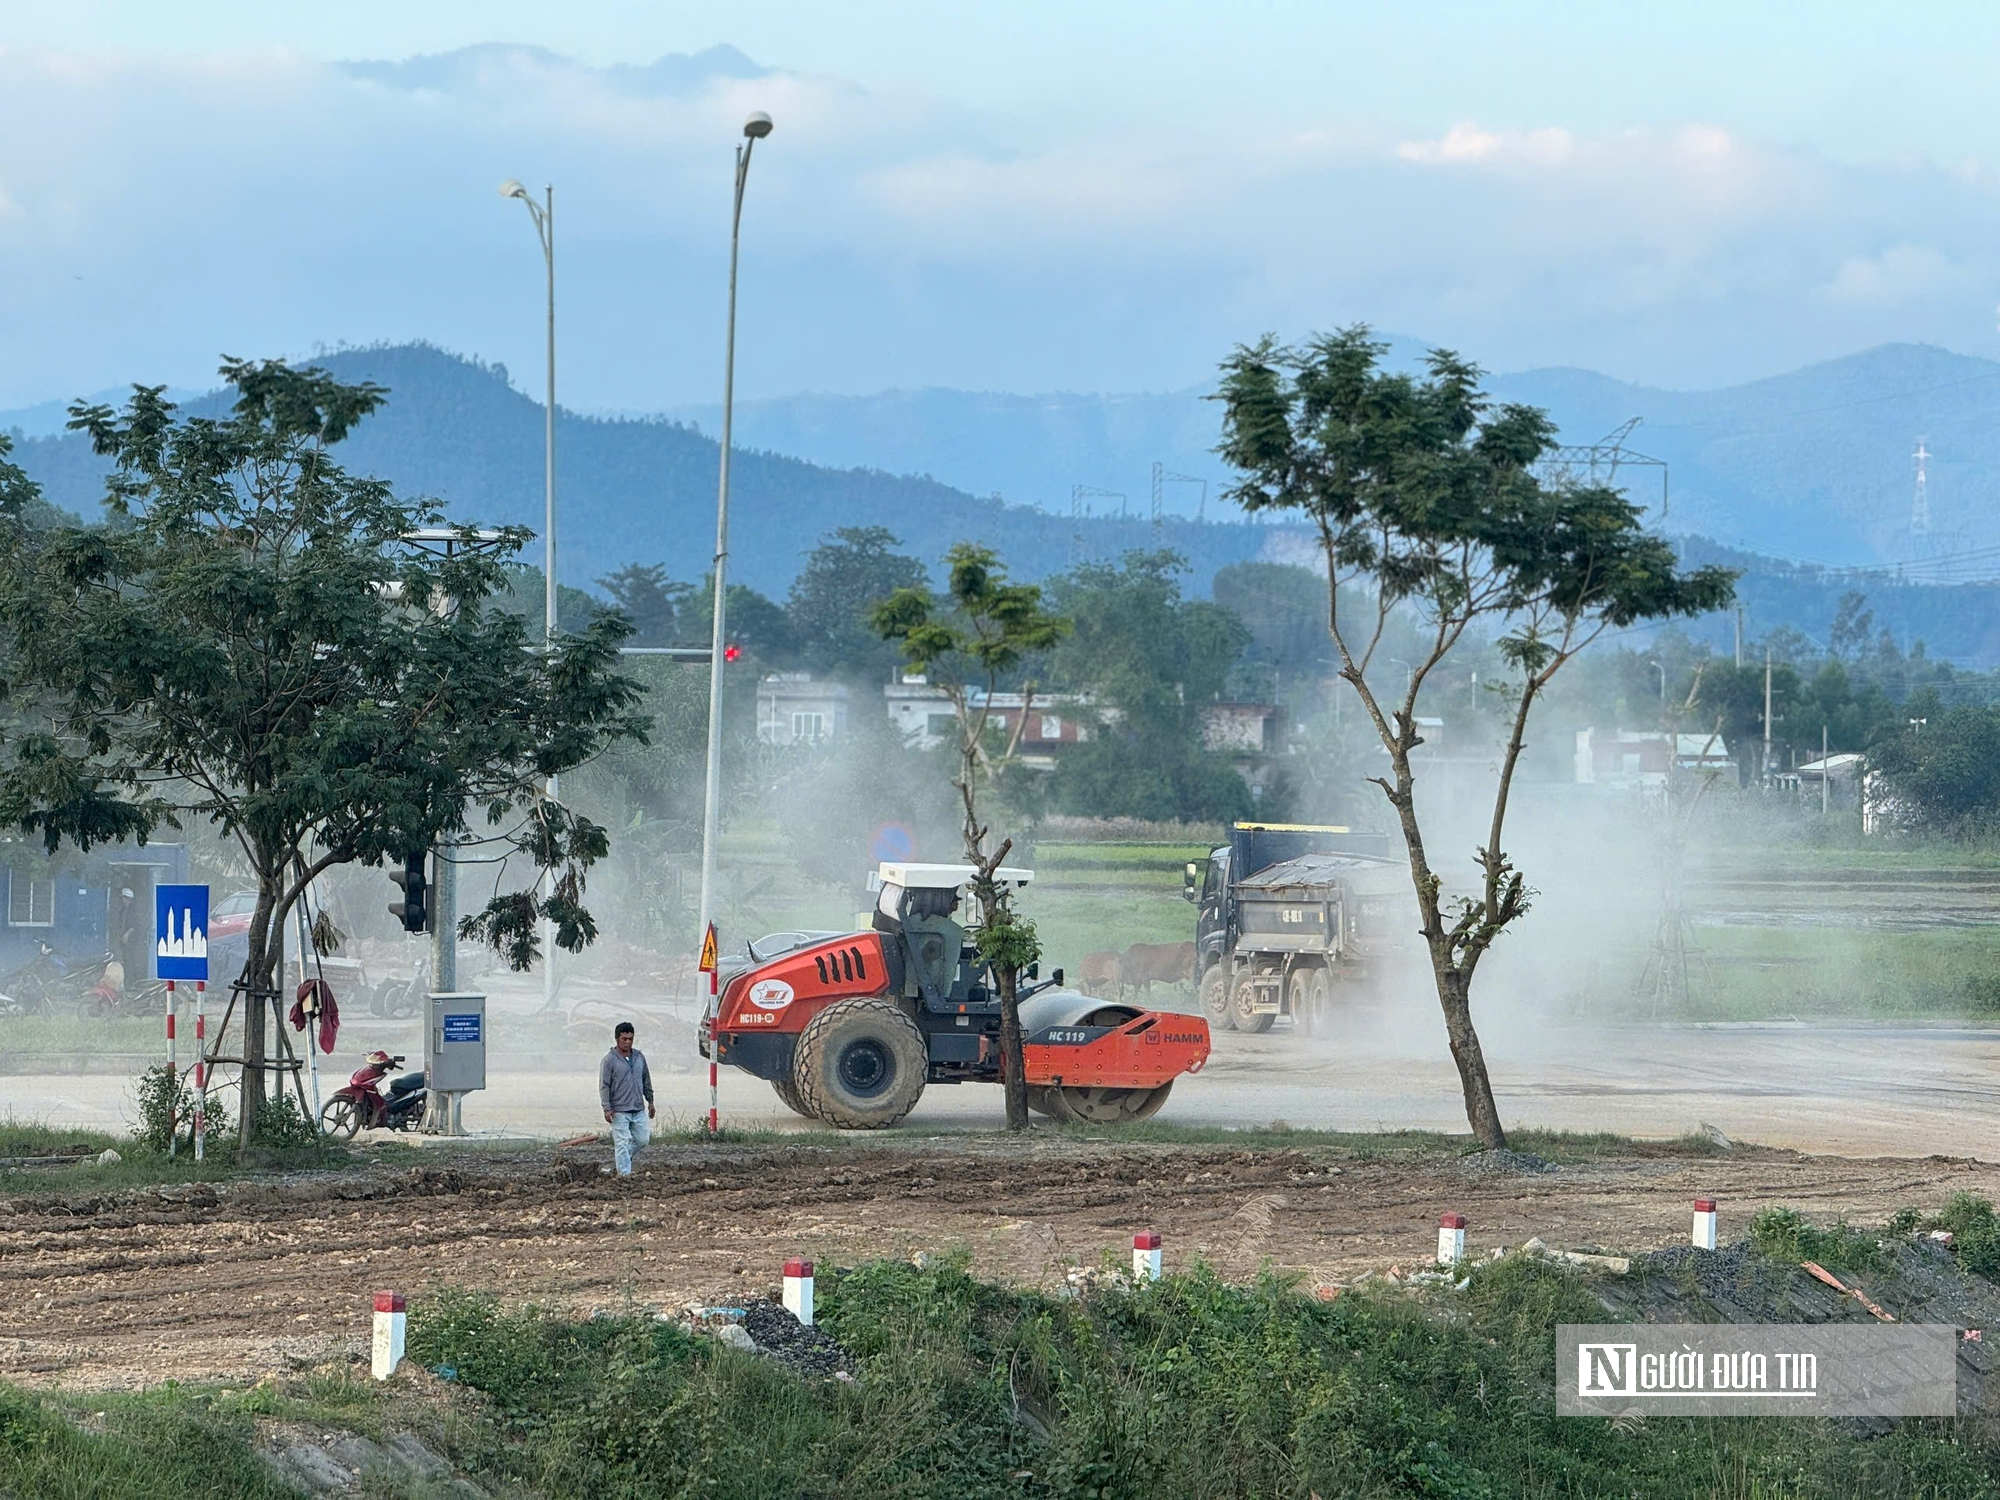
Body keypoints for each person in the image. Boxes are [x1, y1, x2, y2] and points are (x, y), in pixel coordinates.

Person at [599, 1021, 655, 1176]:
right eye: (624, 1039)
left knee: (643, 1140)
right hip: (619, 1110)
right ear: (617, 1039)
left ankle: (623, 1159)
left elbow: (646, 1079)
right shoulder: (609, 1060)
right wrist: (607, 1108)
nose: (628, 1042)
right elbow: (604, 1086)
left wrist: (650, 1101)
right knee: (622, 1142)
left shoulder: (639, 1057)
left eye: (630, 1039)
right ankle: (624, 1175)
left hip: (637, 1107)